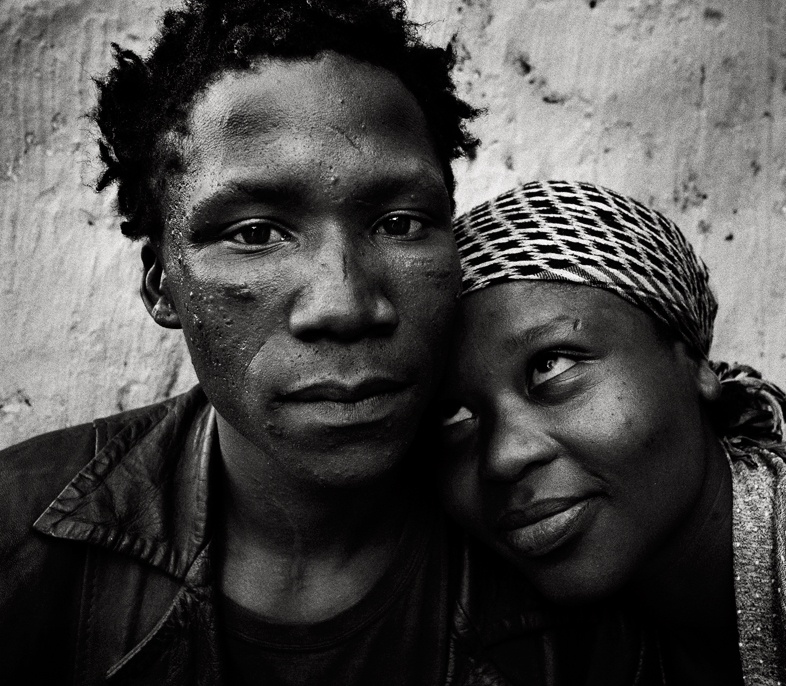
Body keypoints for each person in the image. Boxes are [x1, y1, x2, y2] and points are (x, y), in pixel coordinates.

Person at [0, 5, 629, 684]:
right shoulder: (17, 533)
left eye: (400, 223)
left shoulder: (580, 555)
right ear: (162, 286)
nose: (346, 305)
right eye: (255, 234)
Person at [438, 180, 786, 685]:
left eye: (551, 365)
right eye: (454, 413)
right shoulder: (525, 641)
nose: (503, 457)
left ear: (693, 360)